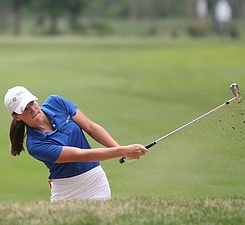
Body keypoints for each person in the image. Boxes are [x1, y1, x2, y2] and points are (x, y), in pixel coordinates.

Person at [4, 86, 148, 202]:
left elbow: (91, 127)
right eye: (25, 109)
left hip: (95, 182)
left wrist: (119, 149)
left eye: (32, 103)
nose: (33, 110)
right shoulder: (35, 145)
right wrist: (124, 151)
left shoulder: (56, 102)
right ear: (16, 116)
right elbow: (82, 155)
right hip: (66, 192)